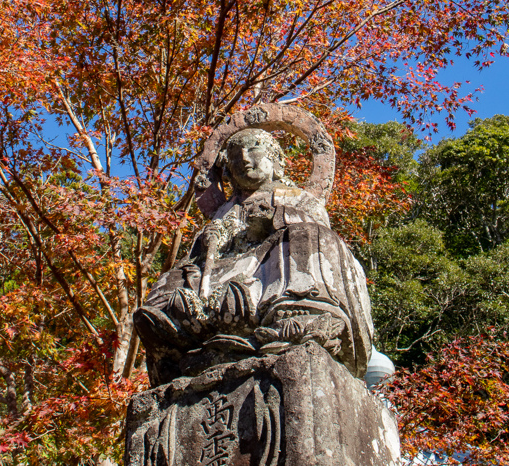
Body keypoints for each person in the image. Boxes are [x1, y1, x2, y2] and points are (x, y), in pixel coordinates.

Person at [133, 128, 373, 383]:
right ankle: (175, 329)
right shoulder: (224, 209)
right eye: (235, 156)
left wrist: (277, 220)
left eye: (253, 150)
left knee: (308, 235)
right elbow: (203, 254)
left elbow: (316, 226)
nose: (245, 159)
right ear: (227, 171)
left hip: (269, 265)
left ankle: (293, 312)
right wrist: (208, 239)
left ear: (275, 160)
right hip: (222, 272)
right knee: (175, 275)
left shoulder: (295, 196)